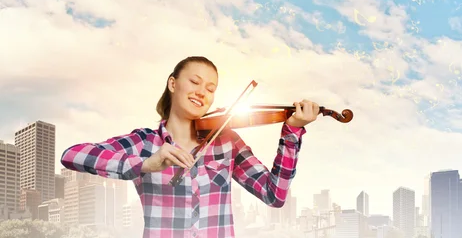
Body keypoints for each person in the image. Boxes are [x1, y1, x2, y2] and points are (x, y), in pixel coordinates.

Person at [60, 56, 320, 238]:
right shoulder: (145, 142)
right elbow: (71, 155)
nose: (202, 92)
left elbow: (274, 195)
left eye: (210, 88)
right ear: (173, 84)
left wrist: (292, 131)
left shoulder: (226, 141)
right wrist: (145, 164)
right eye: (194, 82)